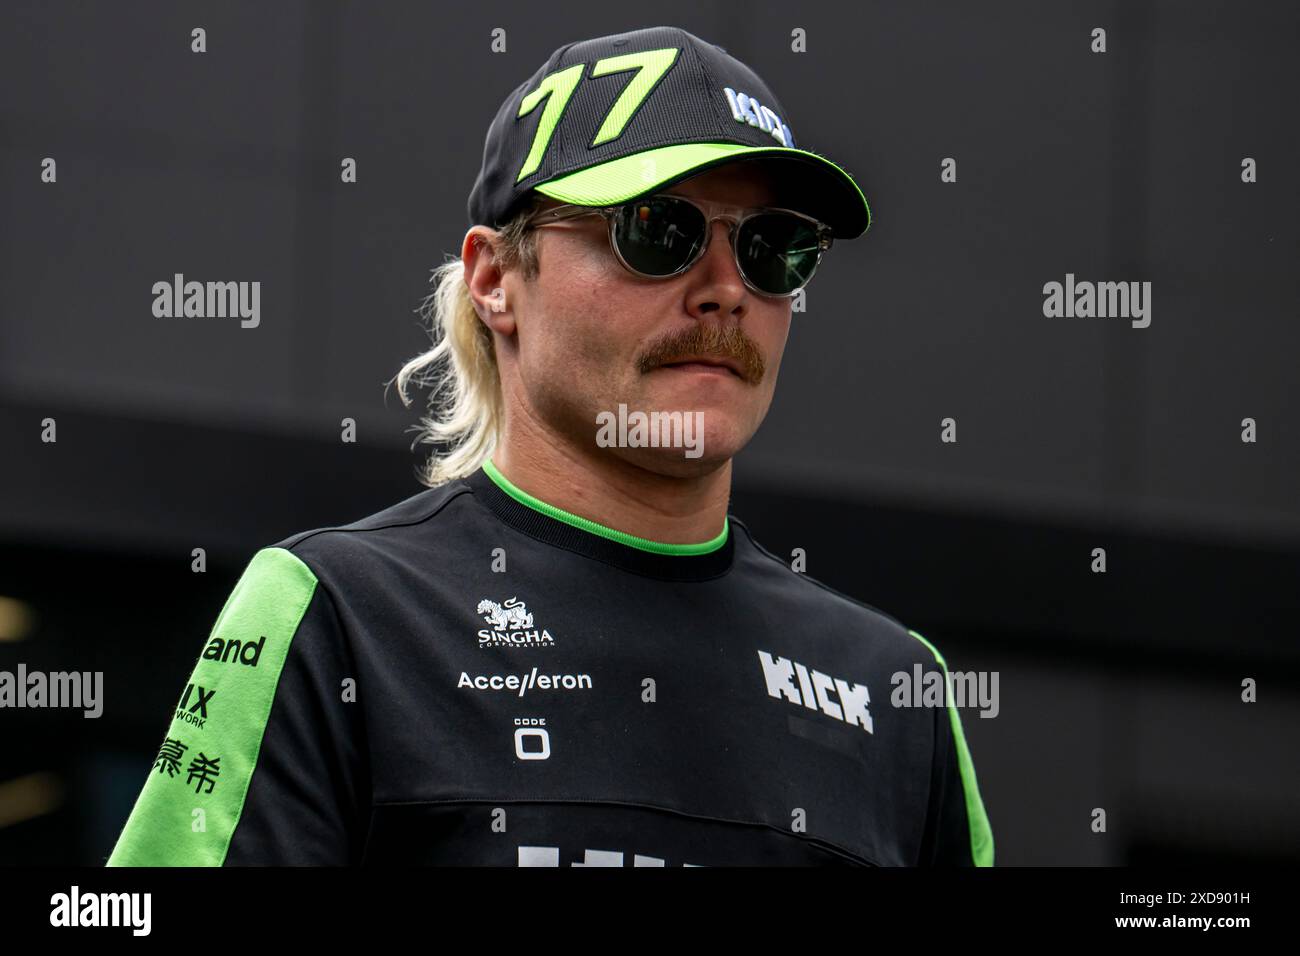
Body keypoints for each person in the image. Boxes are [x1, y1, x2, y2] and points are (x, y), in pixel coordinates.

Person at [107, 25, 992, 867]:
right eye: (658, 228)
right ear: (496, 279)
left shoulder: (895, 690)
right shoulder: (336, 616)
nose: (727, 289)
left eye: (774, 248)